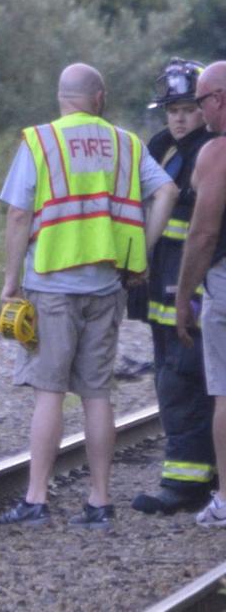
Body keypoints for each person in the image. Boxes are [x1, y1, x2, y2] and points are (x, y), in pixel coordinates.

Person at [0, 63, 177, 529]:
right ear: (100, 97)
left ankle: (36, 499)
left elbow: (19, 215)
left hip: (51, 285)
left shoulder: (40, 141)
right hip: (107, 286)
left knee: (49, 392)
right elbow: (169, 192)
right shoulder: (126, 143)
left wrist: (10, 280)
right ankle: (99, 501)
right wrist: (140, 254)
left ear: (62, 98)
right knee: (97, 395)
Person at [131, 60, 217, 514]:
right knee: (172, 379)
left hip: (194, 291)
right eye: (172, 109)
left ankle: (184, 484)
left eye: (187, 108)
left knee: (186, 383)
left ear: (204, 108)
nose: (179, 118)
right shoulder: (161, 149)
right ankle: (202, 476)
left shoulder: (211, 152)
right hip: (160, 288)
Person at [175, 61, 226, 526]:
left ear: (220, 99)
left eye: (202, 100)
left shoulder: (217, 153)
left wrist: (182, 296)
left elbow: (203, 233)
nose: (200, 110)